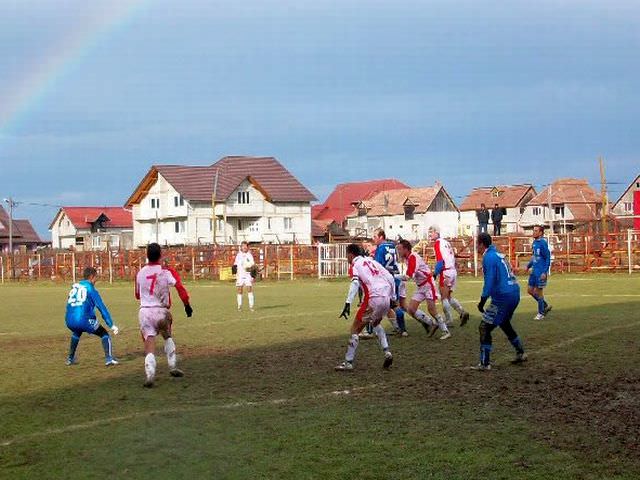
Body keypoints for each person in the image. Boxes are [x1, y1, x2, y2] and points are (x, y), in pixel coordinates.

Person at [135, 243, 193, 388]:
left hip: (145, 312)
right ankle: (172, 366)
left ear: (147, 255)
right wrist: (187, 305)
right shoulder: (166, 271)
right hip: (161, 311)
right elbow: (179, 287)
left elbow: (137, 295)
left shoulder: (140, 273)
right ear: (160, 255)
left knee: (149, 342)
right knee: (167, 335)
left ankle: (150, 375)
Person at [335, 243, 394, 371]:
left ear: (350, 254)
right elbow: (390, 276)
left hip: (373, 299)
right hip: (386, 298)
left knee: (354, 329)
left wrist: (347, 303)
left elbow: (355, 283)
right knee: (376, 324)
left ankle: (348, 362)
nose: (347, 258)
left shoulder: (355, 265)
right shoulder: (371, 261)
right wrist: (393, 297)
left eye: (347, 256)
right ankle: (387, 352)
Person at [473, 233, 527, 370]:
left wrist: (482, 301)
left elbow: (489, 281)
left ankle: (485, 363)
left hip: (503, 297)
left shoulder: (488, 257)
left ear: (481, 244)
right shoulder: (497, 254)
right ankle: (520, 352)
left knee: (484, 327)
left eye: (477, 244)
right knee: (503, 322)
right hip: (514, 292)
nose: (476, 248)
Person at [395, 240, 451, 340]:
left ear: (406, 249)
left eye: (400, 249)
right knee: (411, 309)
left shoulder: (412, 257)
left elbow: (408, 277)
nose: (398, 251)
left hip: (428, 284)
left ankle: (445, 331)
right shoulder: (409, 258)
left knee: (432, 309)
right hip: (421, 286)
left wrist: (392, 276)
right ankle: (431, 324)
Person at [65, 267, 119, 366]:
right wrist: (111, 324)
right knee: (104, 334)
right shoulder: (90, 289)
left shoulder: (75, 286)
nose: (96, 280)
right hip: (83, 320)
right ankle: (109, 359)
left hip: (69, 320)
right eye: (96, 278)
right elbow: (101, 307)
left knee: (77, 332)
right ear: (91, 277)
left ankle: (70, 358)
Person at [430, 228, 470, 327]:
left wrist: (435, 273)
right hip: (452, 271)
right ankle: (461, 312)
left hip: (446, 271)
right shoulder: (446, 242)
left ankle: (449, 319)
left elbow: (440, 261)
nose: (430, 234)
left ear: (437, 232)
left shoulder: (438, 243)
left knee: (443, 297)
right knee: (448, 296)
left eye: (431, 232)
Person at [372, 228, 407, 336]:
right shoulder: (392, 246)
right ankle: (402, 329)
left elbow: (377, 265)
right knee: (393, 305)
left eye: (375, 237)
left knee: (375, 303)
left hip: (385, 279)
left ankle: (370, 331)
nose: (374, 239)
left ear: (381, 237)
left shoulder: (380, 248)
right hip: (394, 277)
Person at [527, 225, 552, 320]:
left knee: (538, 292)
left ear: (541, 233)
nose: (533, 232)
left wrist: (544, 272)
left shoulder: (543, 243)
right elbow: (534, 257)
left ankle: (541, 313)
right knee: (530, 291)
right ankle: (544, 305)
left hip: (540, 272)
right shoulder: (534, 243)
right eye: (533, 230)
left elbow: (547, 257)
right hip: (534, 271)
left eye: (536, 231)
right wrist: (528, 265)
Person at [234, 241, 256, 311]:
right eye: (242, 246)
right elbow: (235, 265)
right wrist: (234, 275)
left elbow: (253, 266)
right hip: (240, 275)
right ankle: (239, 306)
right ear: (241, 247)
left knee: (249, 289)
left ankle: (251, 306)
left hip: (248, 275)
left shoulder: (249, 255)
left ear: (247, 247)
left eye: (245, 246)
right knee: (239, 290)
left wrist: (253, 276)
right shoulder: (238, 255)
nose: (244, 247)